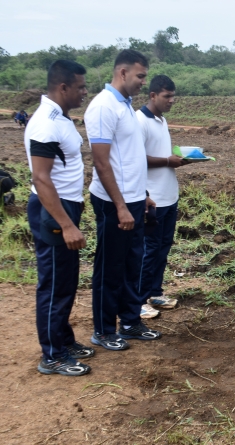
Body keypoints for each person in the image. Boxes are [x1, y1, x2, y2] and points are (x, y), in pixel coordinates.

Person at [84, 49, 161, 351]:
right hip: (113, 203)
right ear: (123, 72)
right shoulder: (104, 107)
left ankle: (130, 322)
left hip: (133, 200)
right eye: (140, 76)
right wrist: (119, 206)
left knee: (132, 264)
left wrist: (143, 196)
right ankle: (103, 330)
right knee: (110, 268)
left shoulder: (125, 106)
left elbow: (128, 158)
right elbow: (102, 162)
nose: (143, 81)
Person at [24, 60, 92, 376]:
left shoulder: (61, 118)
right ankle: (52, 355)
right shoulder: (45, 124)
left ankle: (63, 340)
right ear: (63, 87)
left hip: (65, 206)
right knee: (54, 285)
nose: (85, 91)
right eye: (80, 86)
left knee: (65, 280)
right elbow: (41, 178)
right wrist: (66, 224)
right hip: (53, 211)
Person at [136, 75, 186, 318]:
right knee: (149, 250)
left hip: (169, 196)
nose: (171, 100)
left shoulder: (161, 120)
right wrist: (168, 161)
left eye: (173, 96)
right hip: (152, 198)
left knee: (163, 248)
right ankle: (138, 300)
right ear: (153, 95)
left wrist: (177, 160)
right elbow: (136, 158)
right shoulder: (139, 121)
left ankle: (155, 292)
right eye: (167, 96)